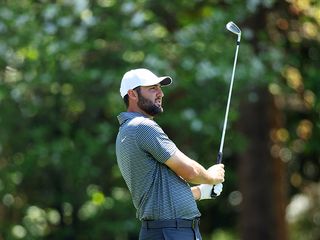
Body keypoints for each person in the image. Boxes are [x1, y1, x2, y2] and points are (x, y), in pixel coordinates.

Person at [115, 68, 225, 240]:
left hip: (167, 231)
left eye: (160, 88)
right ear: (132, 94)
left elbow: (161, 198)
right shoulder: (142, 127)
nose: (160, 94)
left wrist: (201, 192)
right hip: (170, 232)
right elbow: (190, 171)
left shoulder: (128, 130)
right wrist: (210, 177)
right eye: (152, 88)